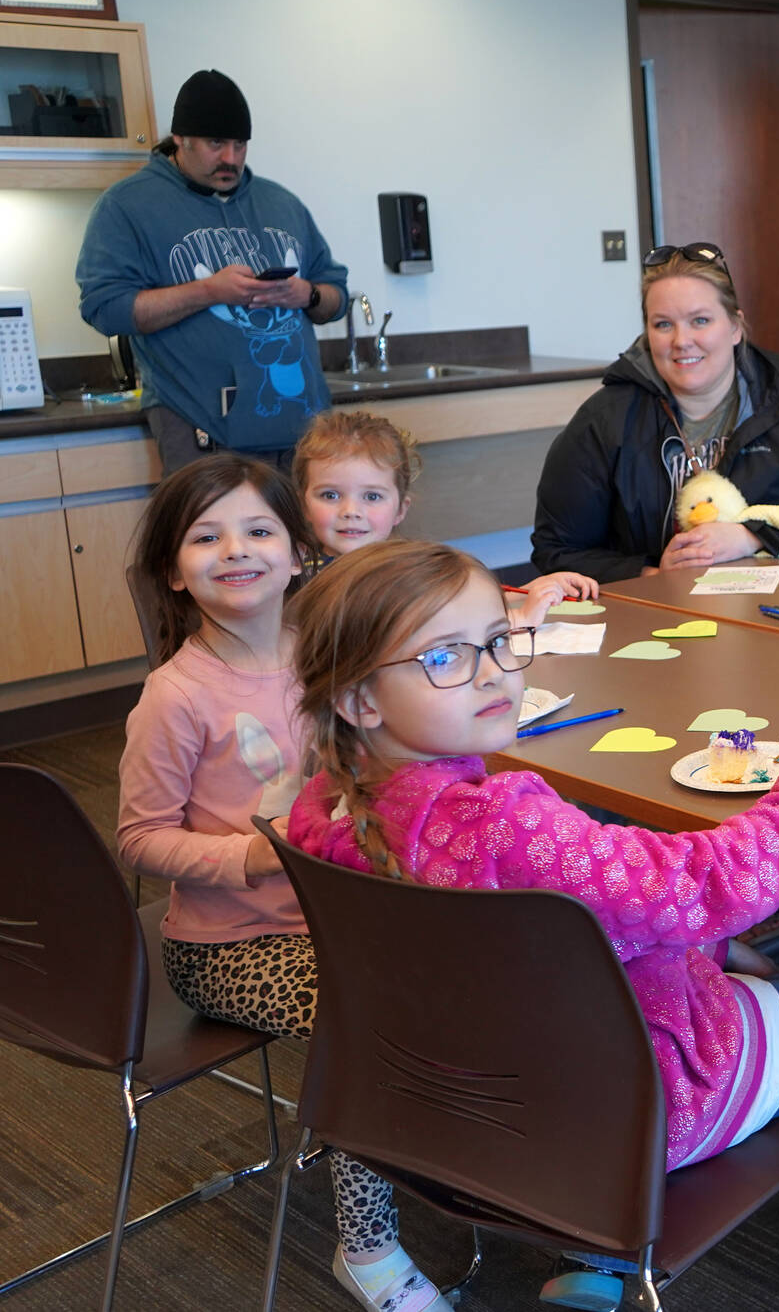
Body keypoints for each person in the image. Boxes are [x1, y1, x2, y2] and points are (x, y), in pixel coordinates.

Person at [283, 541, 779, 1300]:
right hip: (632, 1102)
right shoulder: (506, 824)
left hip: (461, 1097)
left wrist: (705, 941)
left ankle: (595, 1255)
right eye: (444, 657)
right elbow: (708, 883)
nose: (495, 672)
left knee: (744, 960)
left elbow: (557, 930)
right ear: (358, 698)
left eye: (500, 639)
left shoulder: (320, 812)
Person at [117, 456, 446, 1312]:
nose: (237, 549)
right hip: (228, 946)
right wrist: (256, 857)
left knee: (474, 965)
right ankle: (368, 1250)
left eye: (258, 529)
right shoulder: (174, 696)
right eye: (206, 536)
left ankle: (469, 1169)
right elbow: (140, 838)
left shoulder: (320, 652)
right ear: (171, 570)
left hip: (339, 915)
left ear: (297, 553)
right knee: (368, 1018)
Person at [531, 244, 779, 584]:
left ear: (735, 327)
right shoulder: (604, 420)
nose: (682, 340)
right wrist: (653, 575)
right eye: (663, 325)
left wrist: (753, 536)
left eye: (700, 320)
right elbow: (557, 550)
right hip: (658, 616)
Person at [77, 70, 347, 473]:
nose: (231, 158)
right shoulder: (127, 206)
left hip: (304, 433)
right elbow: (105, 309)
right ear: (181, 139)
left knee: (306, 538)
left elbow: (336, 296)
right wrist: (208, 292)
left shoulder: (281, 203)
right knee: (216, 537)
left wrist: (306, 294)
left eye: (240, 145)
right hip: (201, 430)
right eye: (216, 143)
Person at [295, 408, 597, 619]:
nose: (351, 511)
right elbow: (414, 629)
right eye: (330, 495)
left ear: (401, 509)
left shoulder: (400, 564)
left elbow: (447, 604)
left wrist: (527, 591)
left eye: (371, 496)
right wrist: (519, 621)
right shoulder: (306, 579)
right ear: (304, 502)